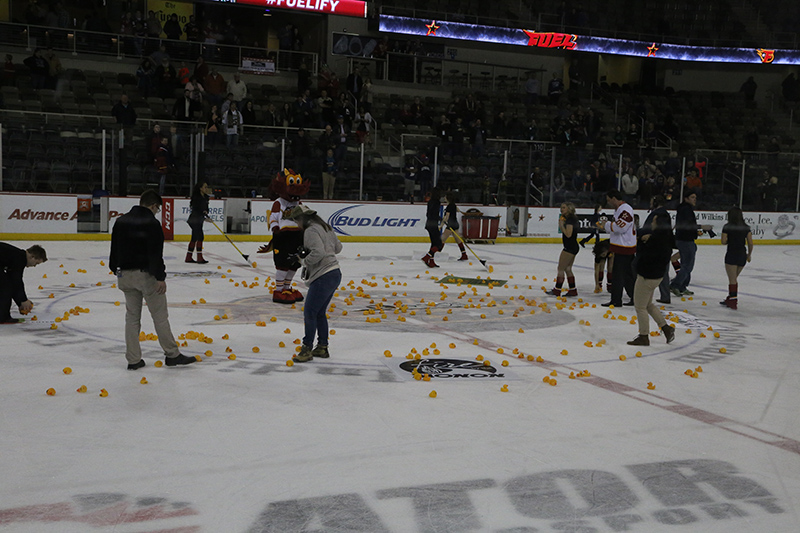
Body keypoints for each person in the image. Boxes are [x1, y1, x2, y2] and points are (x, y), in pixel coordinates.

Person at [109, 190, 196, 369]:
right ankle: (172, 355)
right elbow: (155, 253)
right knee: (160, 316)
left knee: (132, 318)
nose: (157, 212)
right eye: (157, 209)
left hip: (124, 275)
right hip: (145, 276)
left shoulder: (120, 221)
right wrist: (160, 277)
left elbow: (114, 249)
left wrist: (116, 269)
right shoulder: (152, 223)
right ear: (154, 206)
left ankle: (133, 360)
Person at [284, 205, 343, 362]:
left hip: (323, 275)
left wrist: (303, 260)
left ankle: (307, 349)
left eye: (296, 220)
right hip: (335, 273)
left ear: (301, 219)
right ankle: (322, 347)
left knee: (310, 312)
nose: (296, 224)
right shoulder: (326, 227)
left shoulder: (310, 230)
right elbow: (338, 248)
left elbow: (318, 253)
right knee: (319, 313)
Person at [627, 213, 677, 346]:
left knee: (640, 307)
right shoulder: (667, 238)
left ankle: (644, 336)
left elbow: (645, 256)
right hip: (657, 276)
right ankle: (666, 328)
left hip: (647, 276)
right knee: (648, 304)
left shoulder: (655, 239)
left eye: (654, 221)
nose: (652, 223)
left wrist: (643, 242)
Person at [670, 189, 713, 297]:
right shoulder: (685, 209)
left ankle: (682, 286)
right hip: (685, 240)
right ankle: (676, 284)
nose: (695, 200)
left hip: (685, 238)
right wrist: (701, 227)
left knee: (687, 264)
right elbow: (687, 225)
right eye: (692, 197)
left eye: (695, 197)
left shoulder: (685, 209)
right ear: (686, 198)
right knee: (687, 265)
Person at [600, 189, 636, 307]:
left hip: (624, 247)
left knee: (618, 274)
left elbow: (621, 227)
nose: (608, 203)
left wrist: (605, 225)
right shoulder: (621, 209)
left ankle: (616, 300)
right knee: (626, 275)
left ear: (614, 198)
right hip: (624, 246)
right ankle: (634, 297)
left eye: (609, 200)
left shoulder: (625, 209)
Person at [0, 243, 47, 324]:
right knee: (5, 287)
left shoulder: (17, 255)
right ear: (32, 257)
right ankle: (3, 317)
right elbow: (16, 281)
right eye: (36, 263)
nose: (34, 266)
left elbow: (13, 282)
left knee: (5, 284)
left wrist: (21, 302)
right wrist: (23, 300)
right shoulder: (19, 258)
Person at [640, 195, 673, 304]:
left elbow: (647, 229)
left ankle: (642, 294)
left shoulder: (656, 214)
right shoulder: (665, 214)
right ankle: (665, 295)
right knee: (664, 271)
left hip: (657, 247)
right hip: (665, 247)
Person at [720, 207, 753, 310]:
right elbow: (750, 243)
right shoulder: (746, 227)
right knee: (734, 278)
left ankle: (733, 300)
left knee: (732, 279)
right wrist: (749, 254)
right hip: (742, 254)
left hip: (731, 254)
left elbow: (723, 241)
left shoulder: (727, 227)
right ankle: (730, 298)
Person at [549, 202, 580, 297]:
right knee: (567, 268)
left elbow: (568, 234)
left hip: (569, 247)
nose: (561, 209)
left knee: (561, 268)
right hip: (573, 246)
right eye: (561, 207)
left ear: (569, 208)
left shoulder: (570, 219)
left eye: (563, 208)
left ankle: (557, 290)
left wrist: (561, 225)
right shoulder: (571, 218)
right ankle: (573, 289)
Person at [186, 182, 212, 264]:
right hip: (194, 220)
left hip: (199, 220)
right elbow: (196, 211)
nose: (206, 189)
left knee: (194, 237)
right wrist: (204, 217)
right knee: (200, 236)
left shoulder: (205, 198)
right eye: (205, 187)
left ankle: (188, 257)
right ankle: (199, 257)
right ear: (200, 188)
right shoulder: (196, 198)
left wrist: (206, 212)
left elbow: (205, 209)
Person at [440, 191, 468, 261]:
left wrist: (441, 225)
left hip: (451, 225)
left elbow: (446, 217)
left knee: (442, 239)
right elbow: (458, 210)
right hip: (455, 224)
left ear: (448, 198)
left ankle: (437, 253)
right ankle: (464, 254)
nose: (444, 198)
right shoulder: (453, 205)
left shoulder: (449, 206)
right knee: (458, 240)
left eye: (445, 197)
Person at [421, 187, 444, 268]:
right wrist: (439, 218)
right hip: (433, 225)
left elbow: (428, 214)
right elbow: (433, 214)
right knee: (439, 244)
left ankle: (431, 261)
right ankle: (427, 257)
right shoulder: (437, 202)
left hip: (429, 224)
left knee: (434, 244)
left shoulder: (430, 201)